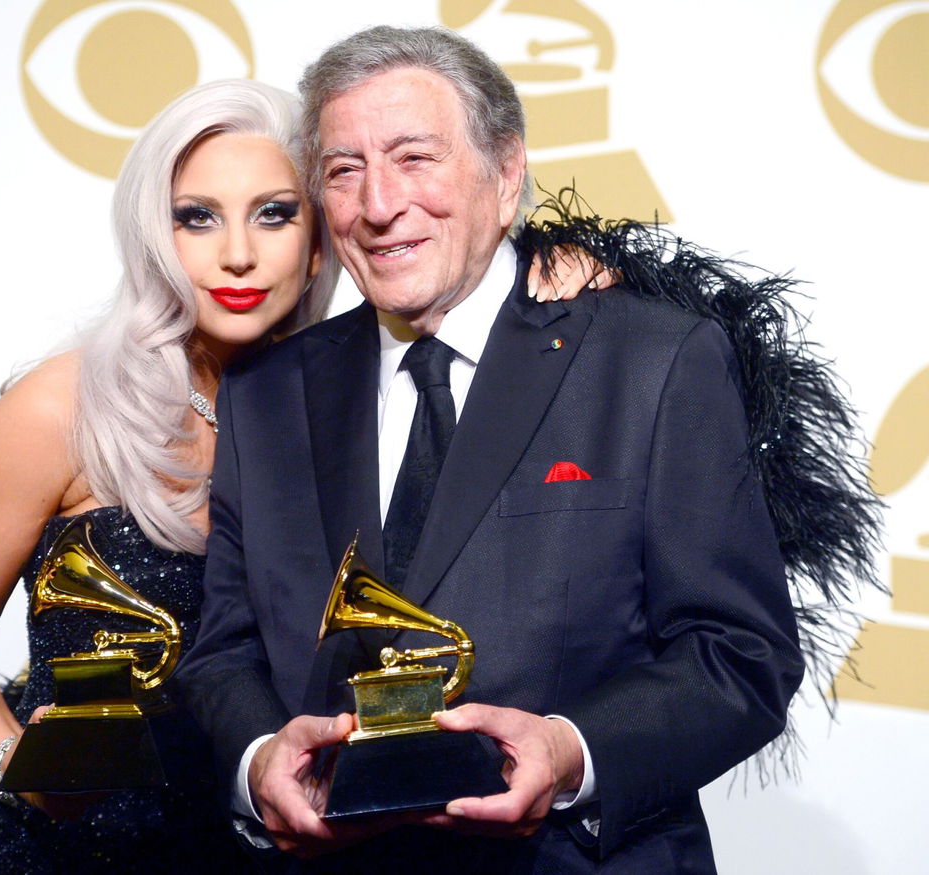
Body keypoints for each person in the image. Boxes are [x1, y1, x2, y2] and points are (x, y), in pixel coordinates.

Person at [0, 76, 605, 873]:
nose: (237, 252)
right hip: (89, 847)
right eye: (195, 217)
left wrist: (553, 273)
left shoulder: (345, 395)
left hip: (276, 840)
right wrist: (13, 765)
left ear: (321, 240)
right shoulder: (58, 409)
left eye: (274, 213)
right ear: (151, 238)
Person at [176, 27, 814, 872]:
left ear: (506, 174)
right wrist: (259, 763)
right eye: (343, 170)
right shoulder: (264, 394)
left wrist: (569, 750)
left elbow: (740, 654)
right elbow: (224, 651)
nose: (379, 203)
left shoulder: (656, 360)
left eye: (415, 158)